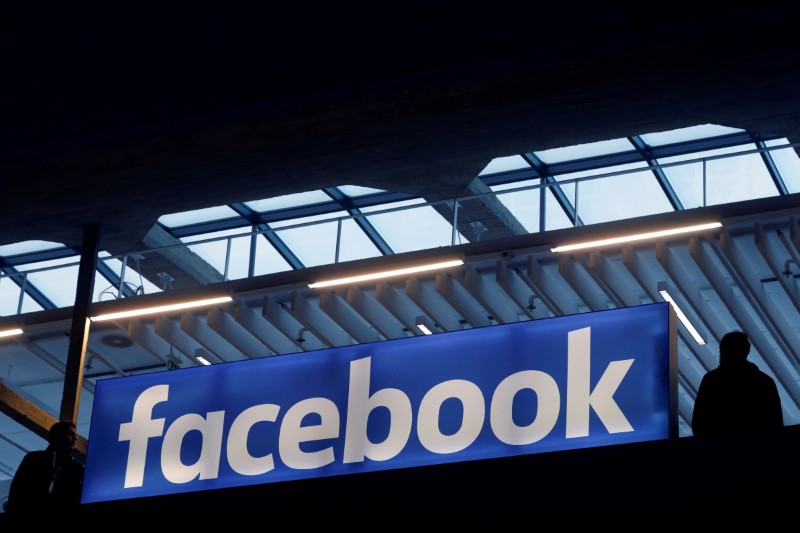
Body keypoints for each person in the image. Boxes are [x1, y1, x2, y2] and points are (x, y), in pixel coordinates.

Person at [691, 330, 784, 436]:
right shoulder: (765, 382)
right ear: (746, 352)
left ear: (723, 353)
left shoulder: (711, 381)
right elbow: (776, 422)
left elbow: (699, 422)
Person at [6, 420, 85, 515]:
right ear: (57, 436)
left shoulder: (78, 469)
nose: (75, 439)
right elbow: (16, 492)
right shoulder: (33, 460)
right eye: (70, 434)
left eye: (75, 435)